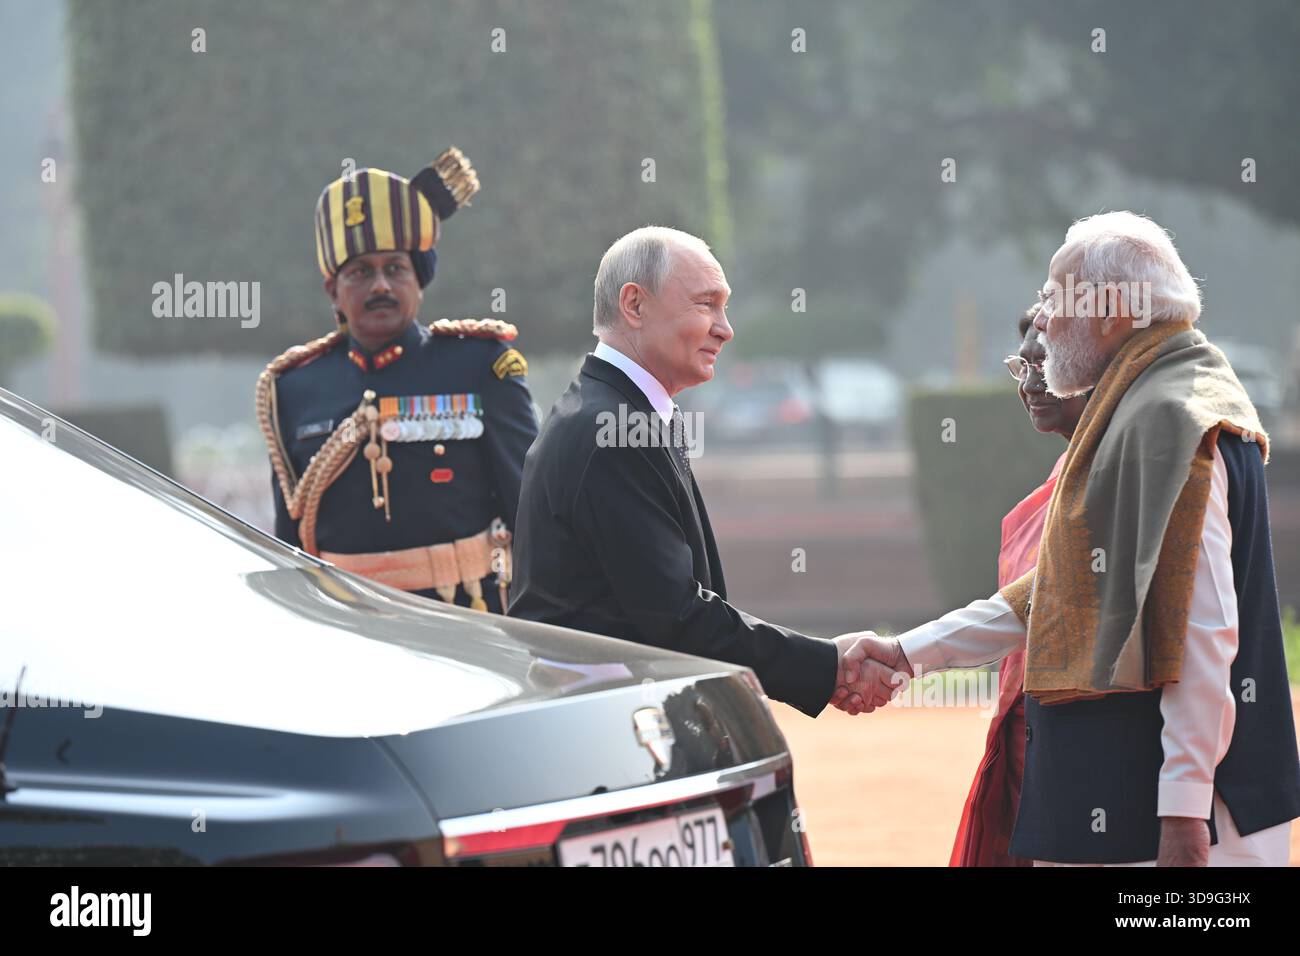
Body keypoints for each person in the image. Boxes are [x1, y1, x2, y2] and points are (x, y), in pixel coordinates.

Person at [840, 211, 1300, 865]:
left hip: (1157, 826)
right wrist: (907, 654)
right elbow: (1054, 594)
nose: (1044, 324)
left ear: (1111, 312)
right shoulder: (1160, 400)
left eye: (1056, 301)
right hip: (1136, 808)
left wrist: (1182, 817)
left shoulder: (1164, 420)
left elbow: (1205, 634)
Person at [507, 226, 889, 717]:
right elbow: (676, 617)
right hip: (602, 731)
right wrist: (826, 665)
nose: (725, 328)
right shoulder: (610, 429)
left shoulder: (625, 414)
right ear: (634, 305)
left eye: (723, 307)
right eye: (706, 304)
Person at [255, 148, 538, 612]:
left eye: (395, 269)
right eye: (361, 273)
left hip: (467, 616)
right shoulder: (292, 389)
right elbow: (292, 542)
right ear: (334, 291)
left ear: (418, 281)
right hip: (347, 627)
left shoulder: (481, 366)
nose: (381, 285)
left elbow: (529, 514)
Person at [949, 305, 1089, 867]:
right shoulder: (1065, 477)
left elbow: (1034, 603)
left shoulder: (1121, 475)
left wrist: (903, 655)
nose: (1031, 383)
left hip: (1089, 751)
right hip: (1030, 736)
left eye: (1047, 364)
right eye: (1023, 364)